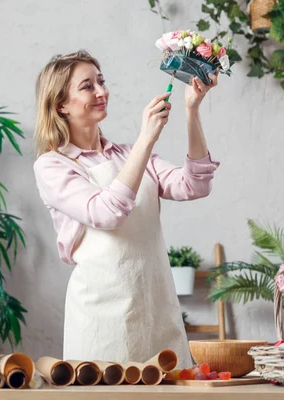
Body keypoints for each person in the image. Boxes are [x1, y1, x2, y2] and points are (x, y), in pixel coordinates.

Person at [33, 50, 219, 366]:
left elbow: (194, 185)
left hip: (156, 307)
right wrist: (146, 139)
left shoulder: (128, 155)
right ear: (60, 104)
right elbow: (106, 213)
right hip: (102, 316)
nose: (101, 92)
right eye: (87, 86)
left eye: (101, 81)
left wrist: (192, 109)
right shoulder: (53, 166)